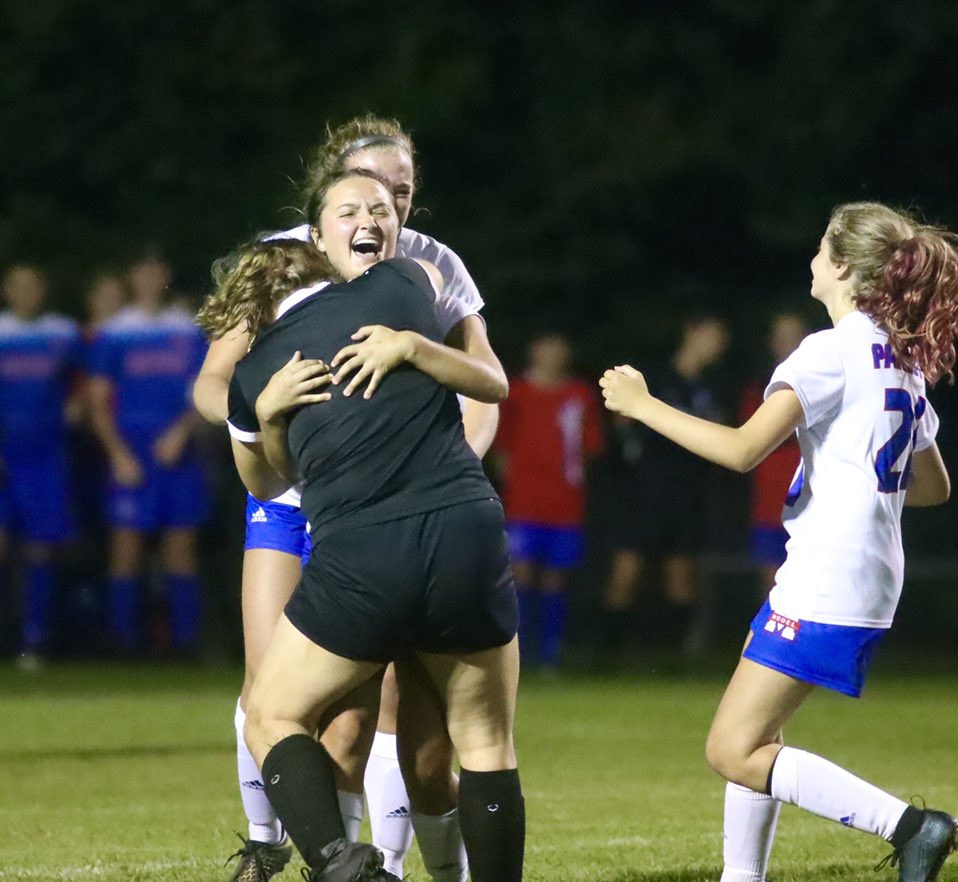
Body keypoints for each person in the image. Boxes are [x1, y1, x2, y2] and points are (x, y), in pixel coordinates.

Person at [600, 201, 958, 882]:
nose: (810, 261)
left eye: (819, 249)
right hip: (861, 574)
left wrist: (642, 405)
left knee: (730, 749)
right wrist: (848, 478)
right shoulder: (901, 358)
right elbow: (933, 486)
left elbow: (744, 448)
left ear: (841, 267)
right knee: (757, 735)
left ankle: (912, 825)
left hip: (828, 576)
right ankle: (741, 876)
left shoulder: (828, 351)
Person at [194, 115, 496, 881]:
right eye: (366, 191)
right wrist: (257, 417)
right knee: (270, 685)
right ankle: (268, 844)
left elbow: (485, 382)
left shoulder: (428, 266)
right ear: (327, 201)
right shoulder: (282, 263)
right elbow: (214, 379)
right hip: (293, 490)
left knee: (369, 716)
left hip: (385, 509)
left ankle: (372, 865)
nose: (383, 204)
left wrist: (442, 465)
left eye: (399, 192)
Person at [88, 251, 209, 656]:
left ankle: (186, 646)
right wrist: (118, 454)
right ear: (133, 278)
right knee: (126, 549)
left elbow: (206, 388)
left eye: (157, 273)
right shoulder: (115, 333)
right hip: (132, 454)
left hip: (177, 454)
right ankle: (123, 644)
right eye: (142, 273)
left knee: (181, 549)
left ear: (165, 277)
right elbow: (97, 400)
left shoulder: (188, 331)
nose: (149, 280)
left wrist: (181, 431)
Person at [599, 314, 730, 662]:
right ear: (692, 331)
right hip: (643, 492)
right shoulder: (655, 378)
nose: (718, 345)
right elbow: (622, 424)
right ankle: (610, 658)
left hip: (687, 496)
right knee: (625, 575)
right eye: (713, 335)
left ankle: (670, 661)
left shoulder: (712, 387)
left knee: (681, 580)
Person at [492, 331, 603, 670]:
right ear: (534, 350)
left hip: (565, 505)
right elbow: (500, 446)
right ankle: (518, 651)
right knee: (521, 575)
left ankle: (550, 653)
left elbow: (590, 447)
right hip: (524, 503)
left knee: (557, 577)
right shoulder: (516, 391)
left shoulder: (579, 394)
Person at [0, 265, 83, 668]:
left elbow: (88, 381)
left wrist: (75, 408)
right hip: (5, 455)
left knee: (39, 549)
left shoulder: (62, 333)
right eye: (19, 286)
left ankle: (35, 640)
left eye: (33, 285)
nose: (26, 293)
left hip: (47, 459)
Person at [737, 312, 808, 596]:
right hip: (769, 505)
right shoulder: (760, 388)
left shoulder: (822, 382)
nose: (787, 343)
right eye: (781, 337)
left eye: (794, 336)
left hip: (811, 501)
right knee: (773, 588)